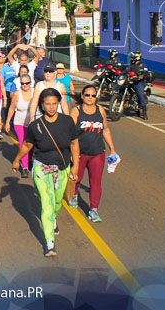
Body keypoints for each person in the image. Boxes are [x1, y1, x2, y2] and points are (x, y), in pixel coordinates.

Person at [10, 88, 80, 257]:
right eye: (47, 104)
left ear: (58, 104)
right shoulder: (36, 126)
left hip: (62, 168)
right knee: (47, 204)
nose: (51, 107)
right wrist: (17, 159)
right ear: (42, 105)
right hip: (42, 168)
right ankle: (49, 243)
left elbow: (74, 144)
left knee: (57, 202)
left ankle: (53, 220)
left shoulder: (68, 122)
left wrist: (76, 166)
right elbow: (27, 145)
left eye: (54, 103)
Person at [69, 83, 117, 223]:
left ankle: (94, 209)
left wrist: (112, 149)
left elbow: (105, 130)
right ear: (82, 96)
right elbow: (70, 134)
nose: (90, 98)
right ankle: (74, 194)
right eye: (87, 95)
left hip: (97, 153)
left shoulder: (101, 110)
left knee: (95, 182)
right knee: (77, 178)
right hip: (80, 153)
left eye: (93, 96)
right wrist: (72, 153)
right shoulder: (76, 111)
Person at [6, 75, 35, 179]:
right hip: (19, 122)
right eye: (22, 83)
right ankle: (25, 167)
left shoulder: (35, 92)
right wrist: (7, 122)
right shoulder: (17, 94)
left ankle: (30, 159)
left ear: (30, 83)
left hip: (32, 123)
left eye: (27, 83)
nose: (25, 85)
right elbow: (11, 109)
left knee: (31, 144)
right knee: (23, 143)